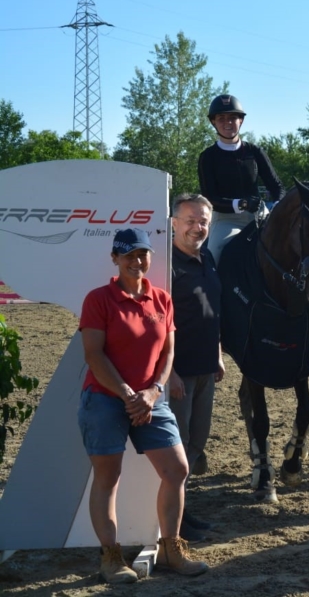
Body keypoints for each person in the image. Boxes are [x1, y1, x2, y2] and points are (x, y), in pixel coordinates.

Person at [78, 228, 208, 583]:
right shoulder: (99, 299)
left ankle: (170, 547)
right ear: (115, 259)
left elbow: (168, 353)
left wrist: (153, 392)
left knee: (177, 470)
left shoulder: (162, 299)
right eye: (129, 255)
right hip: (104, 398)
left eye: (143, 255)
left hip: (148, 398)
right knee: (109, 477)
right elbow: (93, 354)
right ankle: (110, 557)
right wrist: (128, 394)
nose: (137, 261)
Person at [168, 194, 224, 541]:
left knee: (196, 442)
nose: (197, 227)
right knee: (178, 446)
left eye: (203, 221)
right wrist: (168, 371)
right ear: (174, 222)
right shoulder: (164, 266)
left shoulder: (208, 258)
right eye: (190, 220)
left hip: (206, 368)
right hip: (179, 373)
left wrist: (217, 352)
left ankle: (182, 510)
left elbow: (212, 309)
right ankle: (174, 520)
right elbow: (157, 323)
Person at [198, 94, 285, 265]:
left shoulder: (255, 152)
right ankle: (212, 290)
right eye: (221, 118)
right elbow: (209, 198)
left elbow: (277, 186)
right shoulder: (208, 157)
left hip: (260, 215)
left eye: (232, 118)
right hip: (226, 220)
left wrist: (276, 206)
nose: (227, 122)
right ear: (213, 122)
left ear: (241, 121)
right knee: (214, 256)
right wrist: (241, 204)